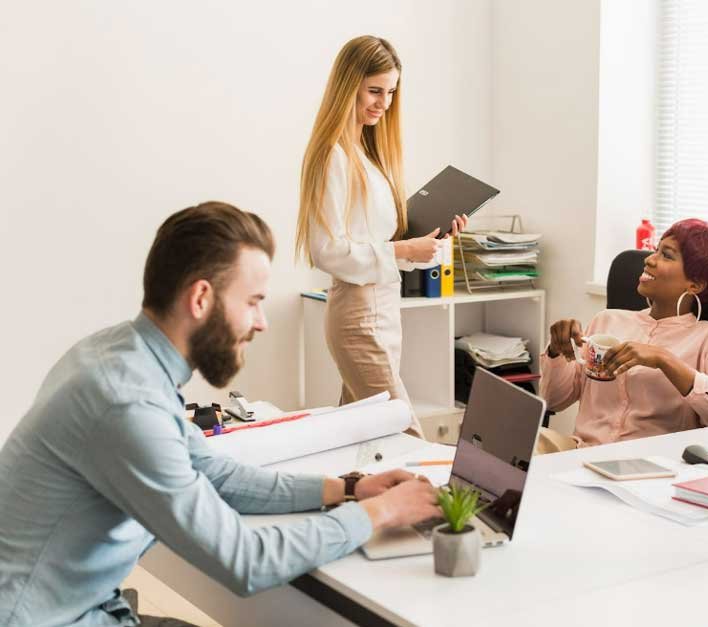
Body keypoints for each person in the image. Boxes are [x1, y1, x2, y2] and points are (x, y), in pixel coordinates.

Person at [0, 202, 440, 627]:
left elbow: (213, 474)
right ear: (201, 298)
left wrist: (350, 488)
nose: (262, 321)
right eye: (252, 301)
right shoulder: (127, 402)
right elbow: (246, 562)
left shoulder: (120, 355)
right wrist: (380, 514)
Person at [295, 36, 468, 435]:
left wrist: (432, 240)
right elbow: (326, 250)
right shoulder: (333, 156)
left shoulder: (368, 157)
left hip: (385, 310)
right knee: (407, 436)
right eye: (374, 90)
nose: (384, 103)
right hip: (358, 315)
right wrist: (404, 248)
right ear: (347, 86)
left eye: (391, 92)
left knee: (363, 442)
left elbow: (382, 243)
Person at [539, 218, 708, 451]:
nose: (649, 259)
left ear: (695, 285)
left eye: (667, 255)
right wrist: (556, 352)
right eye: (656, 251)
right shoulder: (607, 320)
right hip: (579, 452)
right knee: (523, 440)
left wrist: (665, 360)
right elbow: (553, 400)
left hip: (653, 467)